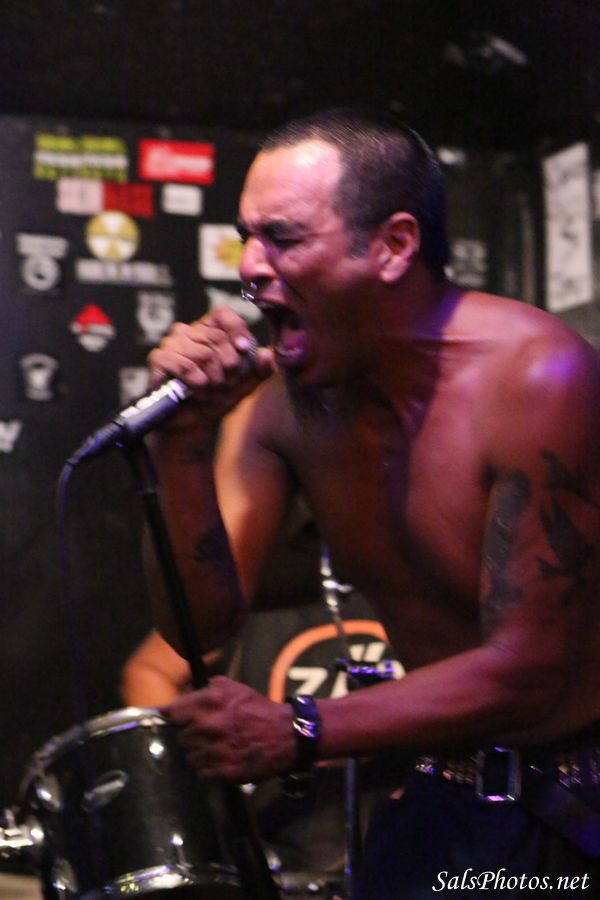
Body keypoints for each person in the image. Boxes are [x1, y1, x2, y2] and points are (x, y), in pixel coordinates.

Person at [144, 108, 600, 897]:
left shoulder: (536, 376)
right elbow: (198, 629)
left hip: (579, 798)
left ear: (392, 245)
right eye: (246, 237)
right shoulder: (280, 410)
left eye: (282, 237)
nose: (249, 266)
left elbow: (531, 670)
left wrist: (301, 728)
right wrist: (179, 447)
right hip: (445, 790)